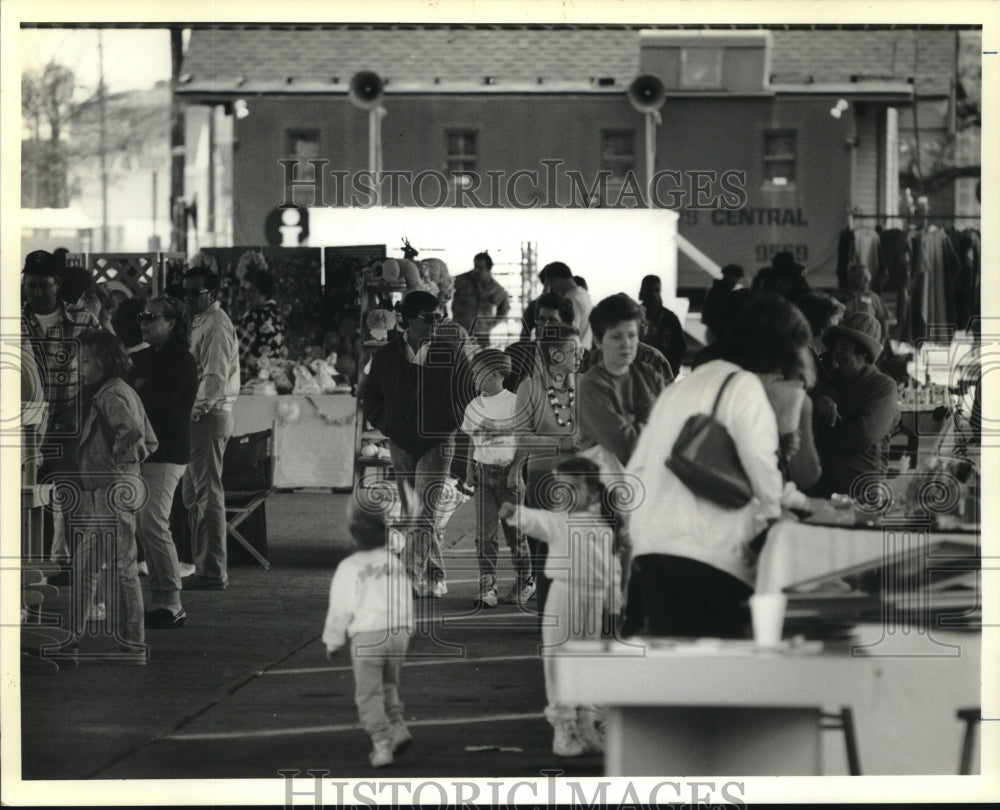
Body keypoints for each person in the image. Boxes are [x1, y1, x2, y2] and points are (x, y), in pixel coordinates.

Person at [626, 295, 808, 637]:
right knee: (720, 675)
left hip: (652, 548)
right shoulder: (744, 386)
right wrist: (793, 508)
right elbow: (765, 482)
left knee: (681, 671)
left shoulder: (681, 389)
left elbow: (637, 468)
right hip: (709, 554)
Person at [360, 290, 475, 597]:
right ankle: (435, 574)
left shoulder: (451, 353)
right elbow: (368, 395)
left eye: (440, 317)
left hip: (438, 442)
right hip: (400, 442)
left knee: (422, 510)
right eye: (429, 319)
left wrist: (445, 422)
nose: (436, 324)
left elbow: (468, 394)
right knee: (416, 512)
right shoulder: (384, 357)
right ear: (406, 320)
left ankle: (408, 578)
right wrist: (385, 423)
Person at [500, 455, 616, 757]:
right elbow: (537, 521)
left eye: (573, 487)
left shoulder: (604, 527)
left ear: (592, 493)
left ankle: (586, 720)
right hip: (563, 596)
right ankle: (563, 727)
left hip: (594, 599)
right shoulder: (560, 522)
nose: (563, 494)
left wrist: (615, 600)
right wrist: (515, 513)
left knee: (588, 660)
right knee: (558, 658)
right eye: (560, 487)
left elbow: (611, 569)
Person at [578, 293, 673, 636]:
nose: (627, 344)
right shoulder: (591, 385)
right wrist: (651, 427)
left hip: (644, 489)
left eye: (632, 335)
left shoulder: (650, 375)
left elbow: (671, 429)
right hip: (602, 497)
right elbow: (624, 442)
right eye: (616, 336)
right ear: (600, 341)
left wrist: (645, 429)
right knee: (612, 576)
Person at [71, 330, 158, 664]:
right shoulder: (118, 390)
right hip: (112, 486)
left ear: (105, 361)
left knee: (119, 565)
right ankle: (80, 636)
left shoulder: (111, 395)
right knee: (92, 563)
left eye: (86, 361)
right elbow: (147, 437)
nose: (81, 367)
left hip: (113, 488)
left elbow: (133, 430)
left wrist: (117, 461)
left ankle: (133, 644)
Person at [322, 497, 414, 768]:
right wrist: (408, 627)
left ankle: (381, 743)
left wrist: (333, 641)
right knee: (388, 685)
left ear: (353, 535)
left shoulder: (350, 567)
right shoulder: (394, 563)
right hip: (398, 634)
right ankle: (397, 727)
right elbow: (406, 597)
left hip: (367, 637)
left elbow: (341, 609)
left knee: (368, 692)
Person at [21, 250, 100, 565]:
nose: (37, 293)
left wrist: (80, 410)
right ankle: (32, 570)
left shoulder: (82, 319)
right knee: (25, 502)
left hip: (69, 427)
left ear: (58, 283)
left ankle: (76, 568)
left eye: (44, 285)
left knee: (74, 502)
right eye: (31, 285)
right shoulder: (12, 318)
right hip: (24, 433)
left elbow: (105, 369)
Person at [131, 296, 199, 629]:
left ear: (171, 323)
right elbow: (136, 393)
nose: (143, 322)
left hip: (168, 451)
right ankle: (160, 597)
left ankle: (172, 600)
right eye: (142, 316)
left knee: (154, 523)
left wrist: (134, 395)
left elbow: (154, 401)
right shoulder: (143, 357)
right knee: (146, 525)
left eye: (151, 317)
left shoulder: (181, 360)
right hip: (145, 452)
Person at [507, 322, 582, 615]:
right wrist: (561, 444)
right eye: (573, 351)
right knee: (546, 552)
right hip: (543, 479)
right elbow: (521, 436)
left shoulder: (586, 385)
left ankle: (575, 612)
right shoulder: (530, 387)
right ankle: (548, 615)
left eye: (581, 350)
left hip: (581, 481)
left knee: (578, 549)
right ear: (554, 354)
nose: (579, 357)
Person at [180, 265, 241, 590]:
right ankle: (204, 565)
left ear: (212, 293)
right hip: (202, 415)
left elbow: (214, 378)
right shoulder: (203, 321)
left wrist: (191, 412)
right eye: (185, 292)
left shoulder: (216, 325)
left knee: (206, 494)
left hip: (207, 415)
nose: (188, 298)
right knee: (195, 494)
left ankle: (212, 571)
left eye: (195, 293)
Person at [461, 350, 533, 608]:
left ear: (493, 373)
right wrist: (469, 471)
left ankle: (526, 580)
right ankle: (488, 584)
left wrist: (516, 471)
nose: (474, 377)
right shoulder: (474, 405)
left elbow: (524, 439)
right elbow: (473, 441)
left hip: (508, 476)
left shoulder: (515, 402)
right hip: (483, 475)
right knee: (485, 535)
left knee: (516, 534)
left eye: (477, 372)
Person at [810, 312, 901, 498]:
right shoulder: (828, 383)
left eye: (844, 346)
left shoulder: (883, 387)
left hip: (861, 491)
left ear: (864, 351)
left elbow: (863, 435)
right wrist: (817, 407)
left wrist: (820, 435)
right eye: (836, 345)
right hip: (821, 489)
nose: (836, 353)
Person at [503, 291, 574, 393]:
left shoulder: (577, 357)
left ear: (566, 324)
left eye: (552, 320)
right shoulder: (515, 353)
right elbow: (504, 395)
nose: (545, 325)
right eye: (541, 319)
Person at [235, 267, 287, 383]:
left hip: (249, 381)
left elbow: (235, 349)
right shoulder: (276, 314)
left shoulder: (254, 316)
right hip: (273, 379)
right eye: (246, 290)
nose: (247, 295)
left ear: (264, 293)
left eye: (252, 291)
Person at [450, 251, 511, 346]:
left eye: (480, 268)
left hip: (482, 335)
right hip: (460, 330)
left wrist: (490, 325)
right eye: (475, 266)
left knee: (482, 359)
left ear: (488, 269)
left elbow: (504, 309)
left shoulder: (496, 289)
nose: (476, 270)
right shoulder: (460, 281)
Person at [795, 292, 846, 391]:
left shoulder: (828, 355)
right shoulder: (799, 360)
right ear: (823, 324)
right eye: (838, 320)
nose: (841, 326)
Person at [637, 275, 687, 376]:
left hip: (662, 373)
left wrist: (673, 370)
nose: (654, 295)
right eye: (650, 290)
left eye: (656, 290)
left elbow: (679, 347)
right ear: (643, 291)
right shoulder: (635, 317)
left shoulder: (669, 318)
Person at [837, 263, 890, 349]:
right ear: (853, 278)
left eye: (868, 277)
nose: (867, 280)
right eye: (863, 277)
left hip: (869, 344)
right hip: (845, 344)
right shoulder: (838, 296)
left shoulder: (873, 297)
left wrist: (881, 343)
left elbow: (884, 320)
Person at [543, 262, 594, 351]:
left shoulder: (572, 299)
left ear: (557, 280)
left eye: (551, 283)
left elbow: (569, 332)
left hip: (574, 353)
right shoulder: (584, 294)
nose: (552, 288)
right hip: (585, 351)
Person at [701, 264, 745, 343]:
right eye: (737, 277)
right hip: (718, 332)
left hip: (714, 331)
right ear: (730, 276)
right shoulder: (721, 293)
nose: (738, 281)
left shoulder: (716, 290)